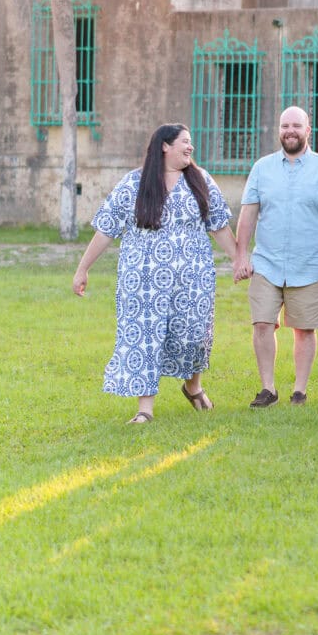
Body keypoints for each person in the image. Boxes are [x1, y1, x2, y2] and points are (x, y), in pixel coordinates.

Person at [73, 124, 237, 424]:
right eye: (185, 142)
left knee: (194, 336)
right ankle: (145, 410)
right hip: (143, 283)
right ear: (165, 146)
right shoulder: (134, 183)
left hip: (193, 278)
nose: (191, 147)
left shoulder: (200, 180)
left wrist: (239, 259)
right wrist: (83, 269)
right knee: (145, 339)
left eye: (191, 143)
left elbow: (219, 225)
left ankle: (193, 386)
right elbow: (106, 228)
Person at [233, 106, 318, 407]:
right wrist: (241, 256)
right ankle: (267, 388)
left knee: (304, 327)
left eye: (296, 125)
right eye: (285, 125)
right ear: (279, 130)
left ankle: (299, 390)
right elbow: (248, 214)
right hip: (267, 262)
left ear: (308, 130)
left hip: (309, 263)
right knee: (262, 323)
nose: (290, 131)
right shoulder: (262, 168)